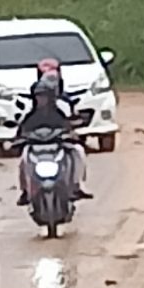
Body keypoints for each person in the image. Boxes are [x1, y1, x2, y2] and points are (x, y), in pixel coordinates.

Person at [17, 76, 91, 206]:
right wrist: (17, 140)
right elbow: (22, 131)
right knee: (23, 158)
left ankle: (77, 184)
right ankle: (25, 190)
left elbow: (68, 127)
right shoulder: (30, 116)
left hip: (57, 146)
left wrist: (72, 135)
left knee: (78, 151)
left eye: (44, 96)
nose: (41, 99)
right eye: (38, 96)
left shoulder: (59, 113)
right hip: (36, 148)